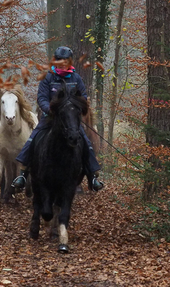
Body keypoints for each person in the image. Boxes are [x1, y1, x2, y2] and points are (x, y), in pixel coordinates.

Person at [11, 46, 104, 192]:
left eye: (65, 60)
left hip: (70, 119)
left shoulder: (76, 78)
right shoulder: (48, 77)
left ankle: (92, 176)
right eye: (59, 60)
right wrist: (49, 109)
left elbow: (83, 96)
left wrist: (76, 109)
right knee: (33, 138)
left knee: (85, 141)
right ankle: (23, 175)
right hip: (51, 118)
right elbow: (41, 97)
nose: (62, 63)